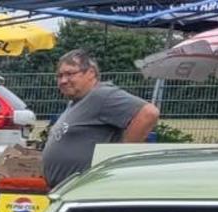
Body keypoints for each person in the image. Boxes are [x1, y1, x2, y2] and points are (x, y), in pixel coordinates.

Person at [42, 49, 161, 189]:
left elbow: (148, 113)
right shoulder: (77, 101)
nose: (63, 80)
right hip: (67, 190)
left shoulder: (102, 95)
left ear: (91, 73)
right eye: (59, 75)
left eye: (69, 74)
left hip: (85, 191)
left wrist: (121, 156)